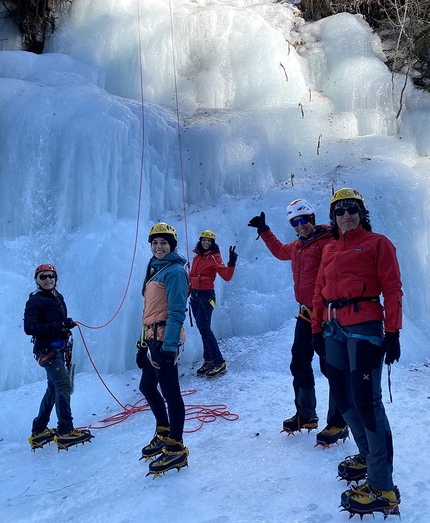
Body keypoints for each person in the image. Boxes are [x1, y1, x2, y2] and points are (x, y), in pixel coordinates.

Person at [311, 188, 402, 517]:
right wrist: (316, 330)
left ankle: (383, 487)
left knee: (366, 400)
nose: (346, 215)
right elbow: (320, 291)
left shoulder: (379, 243)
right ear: (333, 217)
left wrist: (392, 332)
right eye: (340, 211)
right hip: (334, 328)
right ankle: (367, 456)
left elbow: (391, 287)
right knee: (343, 398)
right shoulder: (330, 248)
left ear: (362, 213)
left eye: (352, 210)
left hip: (365, 326)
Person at [248, 199, 348, 447]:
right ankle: (306, 414)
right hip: (305, 314)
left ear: (313, 218)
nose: (300, 225)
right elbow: (280, 251)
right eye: (295, 222)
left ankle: (339, 420)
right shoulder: (297, 246)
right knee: (299, 362)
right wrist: (264, 231)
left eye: (304, 220)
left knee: (331, 366)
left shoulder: (328, 241)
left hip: (327, 315)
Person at [136, 222, 189, 477]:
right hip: (152, 338)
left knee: (171, 392)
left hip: (164, 340)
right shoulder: (155, 268)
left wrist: (168, 348)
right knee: (147, 387)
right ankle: (164, 431)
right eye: (155, 242)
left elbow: (177, 311)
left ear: (172, 246)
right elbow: (149, 311)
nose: (158, 247)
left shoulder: (175, 271)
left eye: (163, 243)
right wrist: (141, 343)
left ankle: (176, 445)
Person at [24, 264, 93, 450]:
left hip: (57, 349)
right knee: (63, 385)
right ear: (37, 280)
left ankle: (39, 429)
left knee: (54, 388)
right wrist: (59, 325)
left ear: (56, 278)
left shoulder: (57, 297)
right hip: (47, 350)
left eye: (51, 276)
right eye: (43, 277)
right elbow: (29, 328)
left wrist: (64, 325)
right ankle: (65, 431)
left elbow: (54, 323)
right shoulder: (35, 301)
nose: (48, 280)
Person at [189, 229, 237, 379]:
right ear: (201, 241)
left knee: (204, 328)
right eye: (204, 240)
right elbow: (191, 276)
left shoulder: (215, 257)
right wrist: (188, 292)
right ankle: (209, 360)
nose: (206, 242)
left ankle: (219, 361)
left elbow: (226, 276)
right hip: (195, 296)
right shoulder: (197, 256)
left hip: (206, 296)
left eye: (209, 241)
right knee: (202, 328)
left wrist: (231, 263)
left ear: (212, 243)